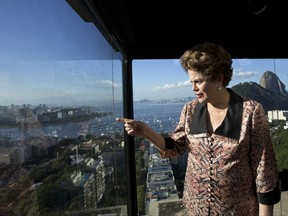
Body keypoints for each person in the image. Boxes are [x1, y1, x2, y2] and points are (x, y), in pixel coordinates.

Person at [116, 42, 281, 215]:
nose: (193, 88)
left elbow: (265, 171)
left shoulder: (250, 111)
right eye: (191, 81)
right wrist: (145, 131)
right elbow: (175, 146)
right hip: (195, 209)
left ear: (219, 78)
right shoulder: (190, 109)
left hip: (239, 210)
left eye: (199, 81)